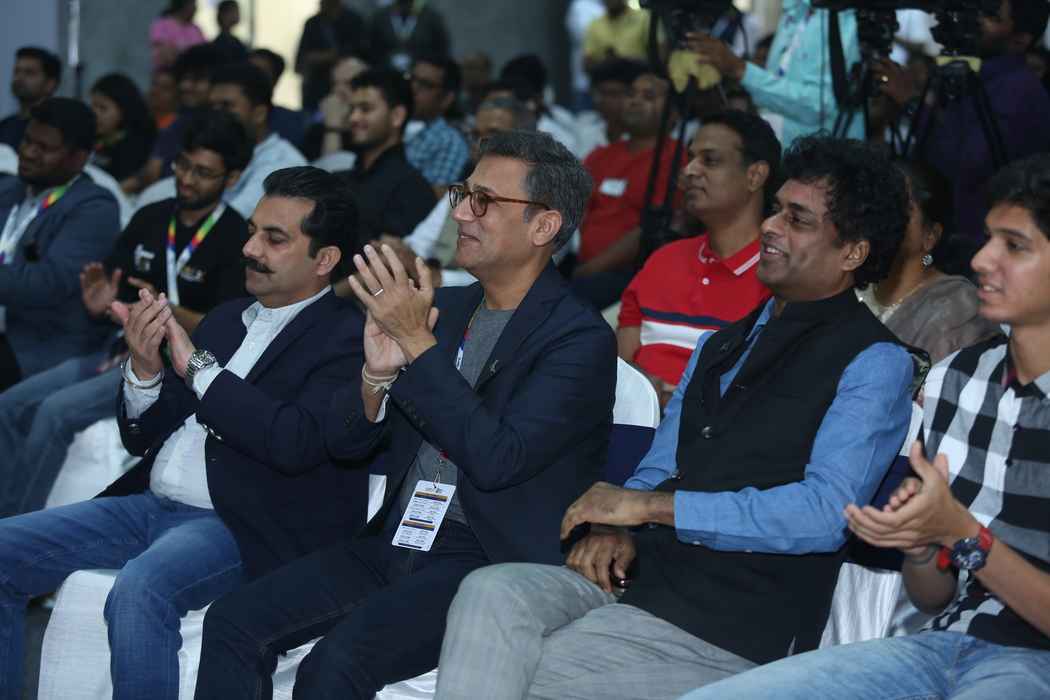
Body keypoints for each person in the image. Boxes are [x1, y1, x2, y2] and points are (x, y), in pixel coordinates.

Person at [434, 135, 919, 700]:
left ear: (852, 253)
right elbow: (660, 467)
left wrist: (652, 509)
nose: (769, 227)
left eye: (798, 220)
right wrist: (618, 524)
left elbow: (823, 515)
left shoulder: (875, 362)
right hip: (637, 585)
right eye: (775, 210)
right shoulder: (722, 346)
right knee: (491, 591)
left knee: (522, 677)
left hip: (730, 627)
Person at [193, 129, 616, 700]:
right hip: (397, 534)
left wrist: (418, 343)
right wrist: (374, 379)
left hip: (482, 557)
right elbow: (347, 444)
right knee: (232, 621)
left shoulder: (577, 340)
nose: (460, 213)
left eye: (484, 201)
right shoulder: (446, 307)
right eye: (463, 194)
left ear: (544, 226)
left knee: (333, 667)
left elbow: (497, 459)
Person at [679, 153, 1050, 700]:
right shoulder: (959, 379)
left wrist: (961, 533)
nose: (981, 259)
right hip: (944, 644)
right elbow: (933, 596)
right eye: (990, 238)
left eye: (1013, 246)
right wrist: (920, 544)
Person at [0, 165, 367, 700]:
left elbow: (292, 441)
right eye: (252, 231)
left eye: (274, 239)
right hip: (148, 506)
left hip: (237, 521)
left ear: (325, 259)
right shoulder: (226, 318)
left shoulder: (346, 339)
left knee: (140, 590)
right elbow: (142, 435)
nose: (250, 249)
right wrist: (144, 372)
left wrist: (198, 369)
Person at [0, 109, 252, 519]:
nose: (187, 179)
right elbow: (114, 295)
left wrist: (167, 313)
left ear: (233, 178)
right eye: (182, 165)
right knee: (9, 405)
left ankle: (16, 529)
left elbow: (227, 327)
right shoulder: (151, 216)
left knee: (54, 413)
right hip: (118, 350)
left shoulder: (236, 238)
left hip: (174, 369)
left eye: (203, 173)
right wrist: (103, 304)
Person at [618, 111, 777, 409]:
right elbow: (620, 369)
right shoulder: (663, 260)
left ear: (755, 175)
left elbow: (762, 395)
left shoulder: (778, 275)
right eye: (690, 158)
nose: (689, 170)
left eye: (710, 160)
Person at [872, 0, 1050, 243]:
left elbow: (963, 165)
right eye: (978, 9)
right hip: (949, 232)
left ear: (1019, 40)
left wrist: (911, 102)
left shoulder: (1018, 90)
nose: (975, 20)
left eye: (990, 15)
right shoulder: (979, 78)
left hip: (972, 240)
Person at [0, 97, 120, 390]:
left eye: (44, 148)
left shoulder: (95, 207)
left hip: (36, 343)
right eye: (27, 141)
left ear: (79, 158)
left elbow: (47, 283)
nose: (28, 153)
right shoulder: (9, 189)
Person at [858, 161, 1001, 363]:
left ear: (930, 236)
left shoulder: (957, 309)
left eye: (898, 209)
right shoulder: (850, 284)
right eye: (876, 206)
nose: (881, 219)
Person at [571, 69, 680, 310]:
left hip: (631, 273)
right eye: (631, 94)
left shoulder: (675, 158)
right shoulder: (600, 155)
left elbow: (651, 228)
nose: (635, 101)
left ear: (673, 114)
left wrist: (588, 269)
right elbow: (574, 211)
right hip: (582, 267)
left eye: (648, 96)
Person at [689, 0, 863, 146]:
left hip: (821, 163)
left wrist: (740, 70)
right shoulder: (794, 10)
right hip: (778, 154)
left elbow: (820, 106)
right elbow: (776, 84)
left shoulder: (850, 18)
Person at [402, 94, 536, 271]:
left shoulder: (540, 202)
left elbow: (519, 276)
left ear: (527, 142)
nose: (479, 144)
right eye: (476, 135)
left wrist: (438, 278)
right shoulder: (460, 191)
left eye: (493, 135)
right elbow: (415, 247)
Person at [336, 68, 435, 243]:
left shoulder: (412, 189)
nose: (353, 118)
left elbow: (393, 255)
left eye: (365, 109)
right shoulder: (339, 180)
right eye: (352, 109)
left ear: (397, 116)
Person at [207, 61, 307, 218]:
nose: (216, 114)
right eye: (212, 106)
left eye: (227, 106)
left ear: (259, 114)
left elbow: (233, 221)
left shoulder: (284, 163)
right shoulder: (212, 151)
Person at [131, 43, 220, 193]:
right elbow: (151, 172)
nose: (185, 86)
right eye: (183, 79)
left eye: (197, 80)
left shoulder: (221, 126)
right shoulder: (180, 122)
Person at [405, 53, 469, 191]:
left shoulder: (448, 142)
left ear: (446, 99)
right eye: (411, 79)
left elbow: (431, 198)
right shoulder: (390, 124)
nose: (413, 88)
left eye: (425, 84)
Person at [295, 0, 366, 113]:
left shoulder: (354, 21)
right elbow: (302, 59)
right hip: (317, 86)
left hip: (350, 86)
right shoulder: (313, 23)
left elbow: (361, 52)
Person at [89, 73, 158, 188]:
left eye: (103, 108)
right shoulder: (92, 137)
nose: (95, 114)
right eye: (93, 106)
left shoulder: (136, 144)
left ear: (123, 110)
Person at [574, 58, 646, 161]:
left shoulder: (644, 141)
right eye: (601, 94)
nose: (604, 101)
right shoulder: (586, 135)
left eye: (614, 94)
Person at [301, 54, 369, 162]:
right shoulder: (316, 131)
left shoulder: (372, 127)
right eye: (335, 83)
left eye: (348, 83)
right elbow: (328, 168)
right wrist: (332, 124)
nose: (338, 90)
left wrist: (333, 126)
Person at [0, 47, 61, 150]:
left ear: (50, 84)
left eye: (29, 73)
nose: (19, 78)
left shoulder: (57, 127)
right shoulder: (5, 125)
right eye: (16, 71)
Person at [368, 0, 451, 73]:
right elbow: (372, 49)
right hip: (386, 74)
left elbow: (441, 50)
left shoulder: (431, 17)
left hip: (421, 74)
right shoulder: (380, 17)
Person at [249, 48, 307, 149]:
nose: (252, 78)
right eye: (249, 70)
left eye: (260, 73)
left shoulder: (291, 122)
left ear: (275, 80)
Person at [583, 0, 652, 71]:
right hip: (606, 74)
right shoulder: (595, 25)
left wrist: (627, 62)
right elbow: (588, 63)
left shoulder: (644, 18)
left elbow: (657, 55)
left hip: (639, 73)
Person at [150, 0, 206, 70]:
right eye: (192, 4)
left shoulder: (196, 29)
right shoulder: (162, 24)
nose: (195, 8)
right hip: (168, 71)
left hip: (192, 73)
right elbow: (164, 53)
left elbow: (204, 52)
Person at [212, 0, 248, 65]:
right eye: (235, 11)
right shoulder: (223, 43)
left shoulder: (234, 41)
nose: (238, 14)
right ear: (224, 15)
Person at [148, 67, 180, 132]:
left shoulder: (178, 128)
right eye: (154, 85)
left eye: (165, 88)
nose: (155, 91)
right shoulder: (139, 121)